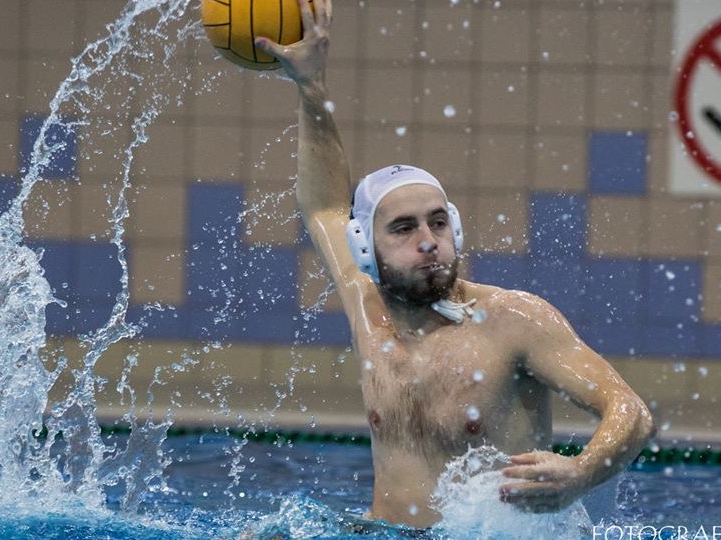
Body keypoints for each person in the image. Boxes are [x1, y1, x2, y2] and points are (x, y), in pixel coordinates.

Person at [253, 0, 657, 529]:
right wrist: (311, 87)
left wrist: (579, 474)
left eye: (438, 223)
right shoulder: (364, 303)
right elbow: (325, 205)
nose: (428, 242)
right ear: (363, 249)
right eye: (403, 229)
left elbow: (632, 412)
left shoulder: (514, 321)